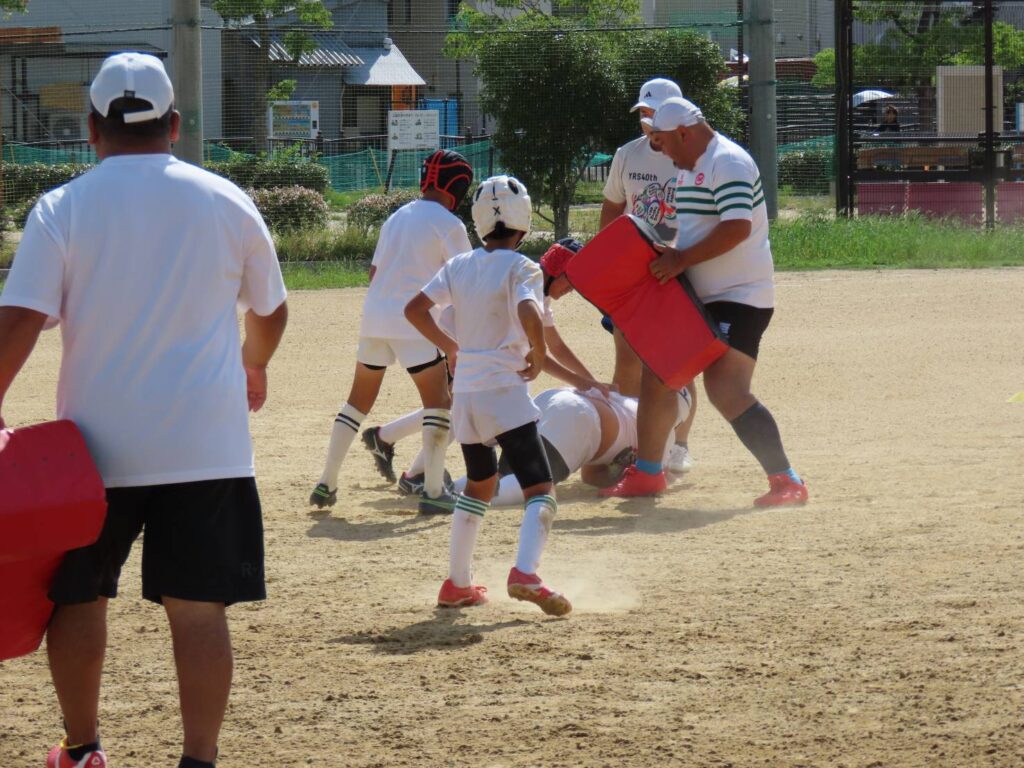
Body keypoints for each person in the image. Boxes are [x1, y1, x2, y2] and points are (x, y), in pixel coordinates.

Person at [0, 53, 288, 768]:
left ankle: (83, 749)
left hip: (94, 453)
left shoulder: (62, 207)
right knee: (198, 610)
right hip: (208, 446)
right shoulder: (226, 199)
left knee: (80, 599)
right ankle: (198, 760)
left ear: (92, 128)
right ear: (176, 125)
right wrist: (253, 362)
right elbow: (272, 309)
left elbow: (20, 320)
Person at [600, 96, 808, 508]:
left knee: (726, 389)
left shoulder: (727, 162)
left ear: (683, 133)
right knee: (659, 373)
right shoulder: (689, 166)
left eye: (663, 143)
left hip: (740, 296)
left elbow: (736, 228)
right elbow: (696, 229)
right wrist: (664, 253)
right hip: (701, 295)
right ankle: (648, 473)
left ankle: (787, 480)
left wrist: (680, 259)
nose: (662, 152)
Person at [405, 175, 571, 616]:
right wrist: (538, 350)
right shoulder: (524, 267)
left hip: (467, 394)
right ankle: (526, 573)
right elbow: (528, 307)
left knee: (479, 485)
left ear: (478, 222)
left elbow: (414, 309)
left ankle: (457, 584)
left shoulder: (459, 265)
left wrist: (451, 347)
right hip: (504, 390)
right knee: (541, 487)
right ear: (524, 221)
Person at [362, 238, 612, 494]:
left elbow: (555, 346)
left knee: (457, 407)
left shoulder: (538, 292)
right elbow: (537, 355)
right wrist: (581, 382)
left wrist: (590, 383)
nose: (573, 289)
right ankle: (415, 471)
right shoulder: (527, 285)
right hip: (447, 337)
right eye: (571, 280)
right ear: (556, 271)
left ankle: (388, 441)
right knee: (458, 408)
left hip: (465, 343)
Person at [309, 149, 473, 515]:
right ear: (458, 188)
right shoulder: (450, 224)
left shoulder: (397, 216)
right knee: (439, 404)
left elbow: (374, 272)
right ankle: (434, 490)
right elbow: (466, 281)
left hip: (375, 318)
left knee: (356, 403)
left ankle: (326, 482)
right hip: (415, 323)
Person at [600, 77, 697, 474]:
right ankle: (629, 443)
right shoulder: (628, 154)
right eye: (643, 112)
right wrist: (609, 262)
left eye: (654, 113)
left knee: (679, 362)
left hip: (680, 268)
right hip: (635, 273)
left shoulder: (693, 156)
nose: (647, 120)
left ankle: (680, 445)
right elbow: (613, 208)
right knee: (627, 361)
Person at [452, 386, 691, 506]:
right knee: (525, 486)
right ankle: (459, 502)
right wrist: (619, 473)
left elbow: (590, 474)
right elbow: (595, 477)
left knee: (502, 473)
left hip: (554, 399)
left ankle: (448, 488)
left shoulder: (629, 402)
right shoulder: (663, 435)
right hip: (579, 420)